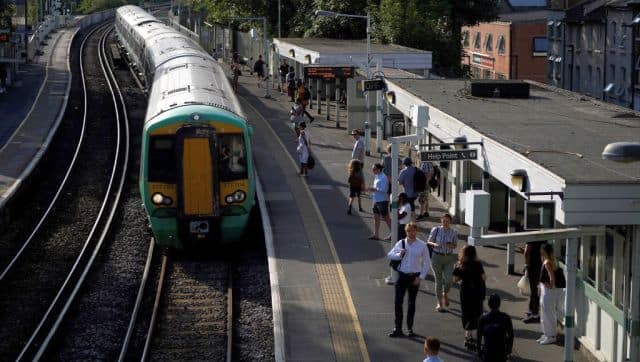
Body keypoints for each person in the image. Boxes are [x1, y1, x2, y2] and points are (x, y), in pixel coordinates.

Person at [387, 222, 431, 338]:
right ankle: (398, 328)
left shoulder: (422, 245)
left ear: (416, 231)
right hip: (402, 276)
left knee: (411, 303)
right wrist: (399, 255)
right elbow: (390, 255)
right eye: (409, 231)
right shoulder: (401, 243)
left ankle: (410, 328)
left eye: (413, 230)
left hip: (414, 277)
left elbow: (427, 262)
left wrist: (420, 277)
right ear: (406, 232)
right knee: (398, 302)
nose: (411, 233)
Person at [453, 245, 486, 350]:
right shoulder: (478, 264)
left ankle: (468, 336)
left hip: (466, 292)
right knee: (476, 312)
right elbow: (484, 277)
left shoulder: (461, 265)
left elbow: (455, 280)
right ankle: (472, 336)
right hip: (477, 291)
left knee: (466, 312)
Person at [427, 213, 458, 312]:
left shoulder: (453, 232)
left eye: (447, 221)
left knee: (449, 280)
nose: (445, 223)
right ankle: (439, 303)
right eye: (443, 221)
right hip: (436, 258)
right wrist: (434, 244)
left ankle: (445, 293)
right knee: (438, 281)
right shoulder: (435, 230)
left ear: (450, 222)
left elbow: (455, 246)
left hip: (448, 258)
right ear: (441, 221)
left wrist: (451, 245)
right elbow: (428, 241)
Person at [538, 243, 565, 345]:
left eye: (542, 251)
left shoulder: (547, 262)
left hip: (548, 291)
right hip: (546, 290)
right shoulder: (550, 260)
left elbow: (551, 276)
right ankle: (546, 334)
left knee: (547, 314)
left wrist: (551, 285)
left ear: (545, 252)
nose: (541, 252)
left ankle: (551, 336)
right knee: (545, 313)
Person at [477, 294, 514, 362]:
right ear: (499, 304)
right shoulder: (505, 318)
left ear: (488, 304)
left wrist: (479, 352)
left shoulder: (483, 318)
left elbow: (479, 337)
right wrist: (508, 350)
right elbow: (511, 336)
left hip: (488, 352)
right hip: (501, 352)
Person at [367, 163, 391, 240]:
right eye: (373, 169)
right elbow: (377, 187)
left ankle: (394, 233)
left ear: (379, 169)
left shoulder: (383, 177)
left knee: (386, 218)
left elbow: (385, 190)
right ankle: (376, 234)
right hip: (376, 200)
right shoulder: (377, 176)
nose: (373, 170)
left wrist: (374, 189)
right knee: (376, 217)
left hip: (382, 200)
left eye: (374, 169)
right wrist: (372, 189)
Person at [523, 240, 545, 324]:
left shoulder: (531, 238)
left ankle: (535, 314)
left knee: (534, 291)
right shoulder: (543, 237)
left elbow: (526, 252)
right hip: (539, 267)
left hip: (533, 267)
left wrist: (527, 265)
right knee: (535, 290)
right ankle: (532, 309)